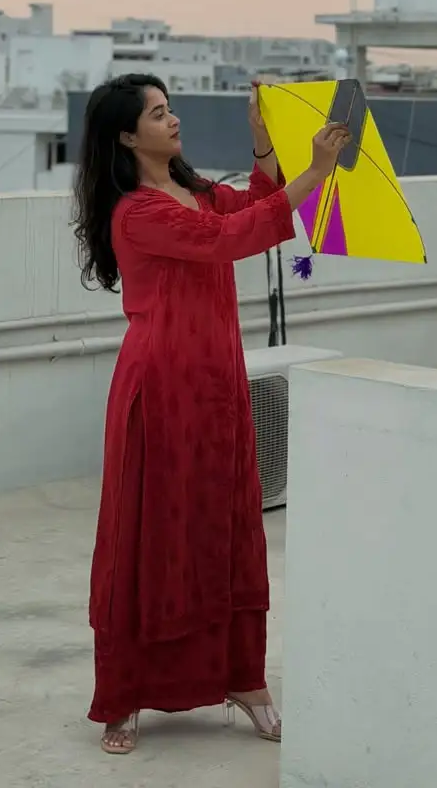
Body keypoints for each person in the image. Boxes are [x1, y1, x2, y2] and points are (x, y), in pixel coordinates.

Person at [72, 72, 350, 756]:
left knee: (227, 529)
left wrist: (263, 147)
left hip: (218, 380)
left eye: (171, 110)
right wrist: (316, 171)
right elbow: (233, 236)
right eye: (158, 114)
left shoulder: (195, 193)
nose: (173, 121)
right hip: (160, 386)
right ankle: (125, 693)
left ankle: (243, 679)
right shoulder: (137, 212)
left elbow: (252, 206)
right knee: (150, 537)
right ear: (126, 137)